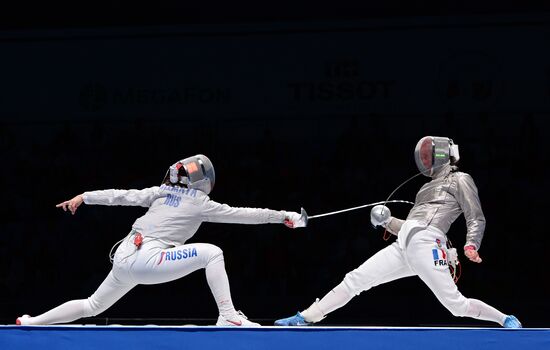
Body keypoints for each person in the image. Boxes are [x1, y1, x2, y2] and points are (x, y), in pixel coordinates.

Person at [17, 154, 306, 326]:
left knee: (93, 305)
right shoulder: (201, 203)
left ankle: (31, 321)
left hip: (125, 254)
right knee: (213, 253)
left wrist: (84, 197)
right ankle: (228, 315)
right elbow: (246, 214)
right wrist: (285, 216)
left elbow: (121, 195)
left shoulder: (159, 192)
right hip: (148, 259)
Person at [275, 136, 521, 328]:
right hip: (406, 244)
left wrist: (471, 244)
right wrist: (386, 221)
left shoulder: (461, 179)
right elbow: (410, 227)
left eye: (428, 156)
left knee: (456, 305)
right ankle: (306, 317)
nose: (424, 161)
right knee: (356, 279)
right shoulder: (425, 189)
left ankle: (504, 318)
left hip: (428, 243)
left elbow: (475, 215)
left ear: (442, 153)